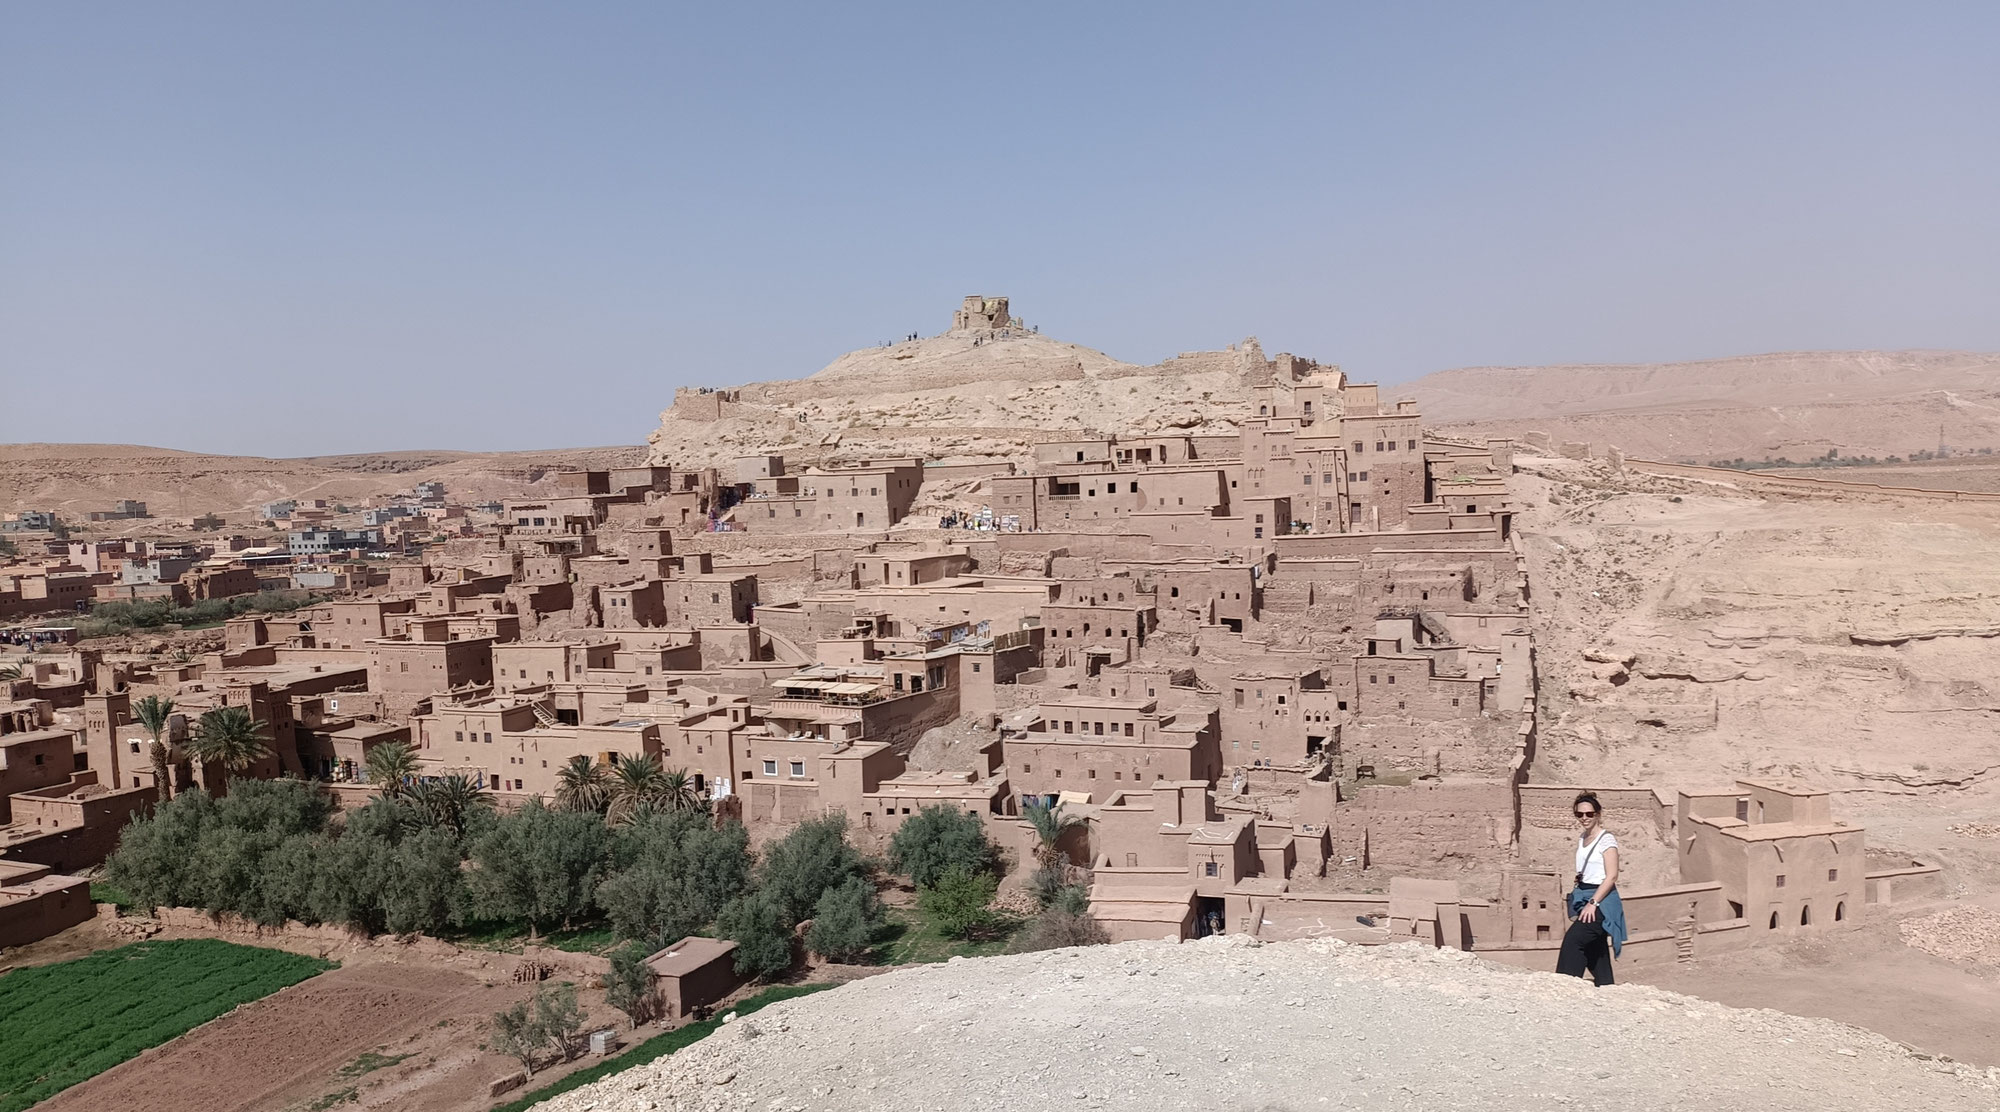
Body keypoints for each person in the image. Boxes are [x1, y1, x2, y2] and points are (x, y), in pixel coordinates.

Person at [1557, 791, 1626, 985]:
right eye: (1579, 814)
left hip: (1601, 901)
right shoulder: (1582, 838)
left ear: (1598, 814)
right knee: (1595, 949)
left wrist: (1593, 903)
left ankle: (1565, 986)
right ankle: (1606, 986)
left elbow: (1612, 876)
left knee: (1573, 941)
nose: (1584, 818)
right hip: (1585, 896)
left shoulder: (1607, 840)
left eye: (1589, 814)